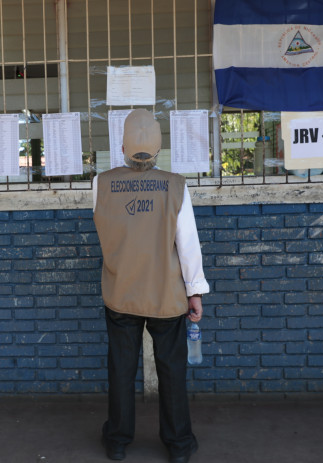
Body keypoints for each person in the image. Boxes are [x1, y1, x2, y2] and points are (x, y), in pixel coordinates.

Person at [93, 108, 209, 463]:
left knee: (121, 369)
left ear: (122, 144)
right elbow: (187, 244)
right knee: (172, 370)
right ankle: (178, 444)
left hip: (121, 294)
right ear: (159, 148)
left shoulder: (101, 183)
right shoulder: (175, 185)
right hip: (166, 296)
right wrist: (194, 291)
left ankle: (117, 440)